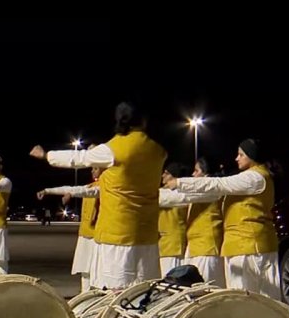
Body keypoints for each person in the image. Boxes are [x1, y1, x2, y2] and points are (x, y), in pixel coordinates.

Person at [32, 102, 166, 289]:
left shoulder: (114, 148)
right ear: (144, 121)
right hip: (147, 234)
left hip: (117, 233)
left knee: (115, 293)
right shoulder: (158, 151)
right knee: (145, 291)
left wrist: (47, 155)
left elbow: (79, 158)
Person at [164, 139, 280, 298]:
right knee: (243, 299)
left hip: (251, 245)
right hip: (241, 246)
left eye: (241, 155)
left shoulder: (255, 178)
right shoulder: (250, 178)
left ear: (252, 157)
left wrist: (180, 182)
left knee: (252, 300)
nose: (236, 158)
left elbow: (219, 183)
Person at [38, 164, 103, 291]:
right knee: (85, 270)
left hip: (99, 236)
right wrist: (47, 191)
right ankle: (85, 298)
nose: (92, 171)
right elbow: (70, 188)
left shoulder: (106, 187)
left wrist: (72, 194)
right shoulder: (89, 185)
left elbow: (88, 192)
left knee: (97, 271)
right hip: (85, 234)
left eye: (95, 168)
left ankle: (97, 299)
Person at [183, 157, 226, 286]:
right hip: (195, 246)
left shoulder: (210, 186)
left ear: (205, 172)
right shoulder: (200, 190)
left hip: (207, 247)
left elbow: (183, 195)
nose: (193, 174)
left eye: (196, 171)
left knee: (206, 288)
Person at [158, 163, 191, 276]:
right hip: (163, 244)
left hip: (173, 245)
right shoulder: (163, 192)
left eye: (167, 173)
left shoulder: (177, 194)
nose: (163, 176)